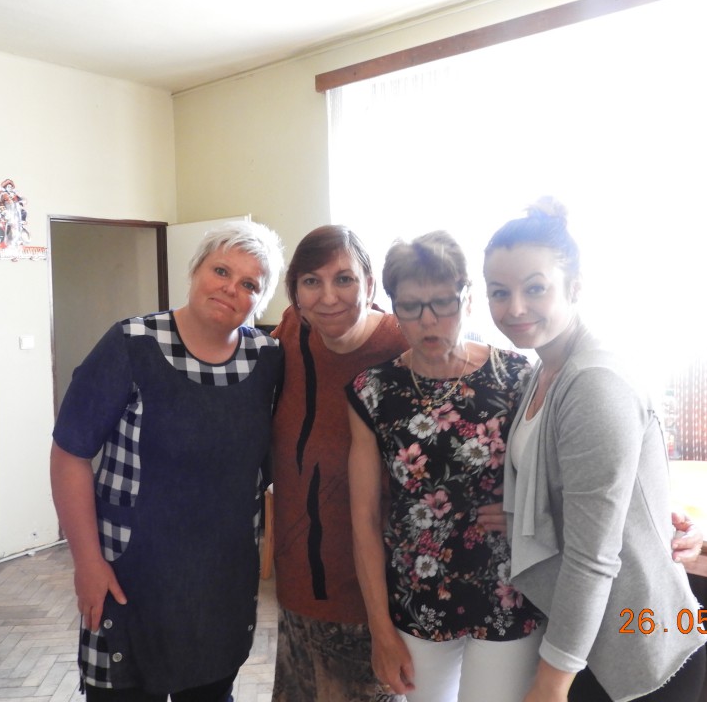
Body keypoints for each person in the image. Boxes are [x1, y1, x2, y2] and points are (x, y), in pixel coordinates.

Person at [50, 220, 285, 701]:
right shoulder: (132, 343)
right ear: (196, 269)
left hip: (220, 584)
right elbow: (70, 453)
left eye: (249, 285)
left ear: (260, 302)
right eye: (221, 270)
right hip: (127, 578)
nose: (231, 289)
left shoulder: (267, 361)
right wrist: (87, 562)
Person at [483, 200, 707, 702]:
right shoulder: (546, 367)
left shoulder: (593, 383)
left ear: (575, 287)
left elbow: (594, 556)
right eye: (499, 292)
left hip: (637, 646)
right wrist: (521, 515)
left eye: (534, 288)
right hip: (589, 635)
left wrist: (551, 683)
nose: (514, 307)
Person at [347, 230, 545, 702]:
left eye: (443, 303)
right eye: (411, 306)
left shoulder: (516, 376)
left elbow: (564, 476)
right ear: (393, 307)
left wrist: (529, 511)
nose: (428, 320)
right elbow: (364, 520)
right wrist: (379, 627)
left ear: (468, 299)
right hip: (418, 596)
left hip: (508, 591)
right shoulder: (374, 391)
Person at [269, 224, 409, 702]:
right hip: (297, 590)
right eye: (311, 281)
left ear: (369, 284)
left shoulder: (401, 346)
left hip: (372, 603)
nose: (328, 297)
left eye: (344, 279)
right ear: (295, 293)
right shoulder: (291, 331)